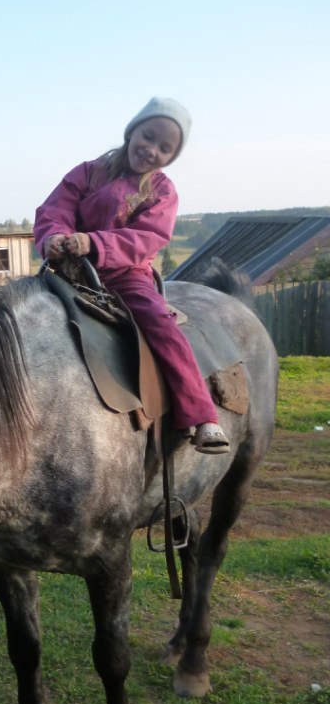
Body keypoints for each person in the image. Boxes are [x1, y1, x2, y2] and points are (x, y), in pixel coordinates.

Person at [34, 97, 230, 454]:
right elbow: (55, 208)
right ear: (132, 131)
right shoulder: (89, 171)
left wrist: (92, 243)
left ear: (172, 157)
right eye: (148, 136)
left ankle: (202, 415)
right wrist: (53, 237)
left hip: (125, 273)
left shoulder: (161, 190)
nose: (152, 150)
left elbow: (148, 237)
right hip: (68, 270)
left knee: (161, 324)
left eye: (165, 148)